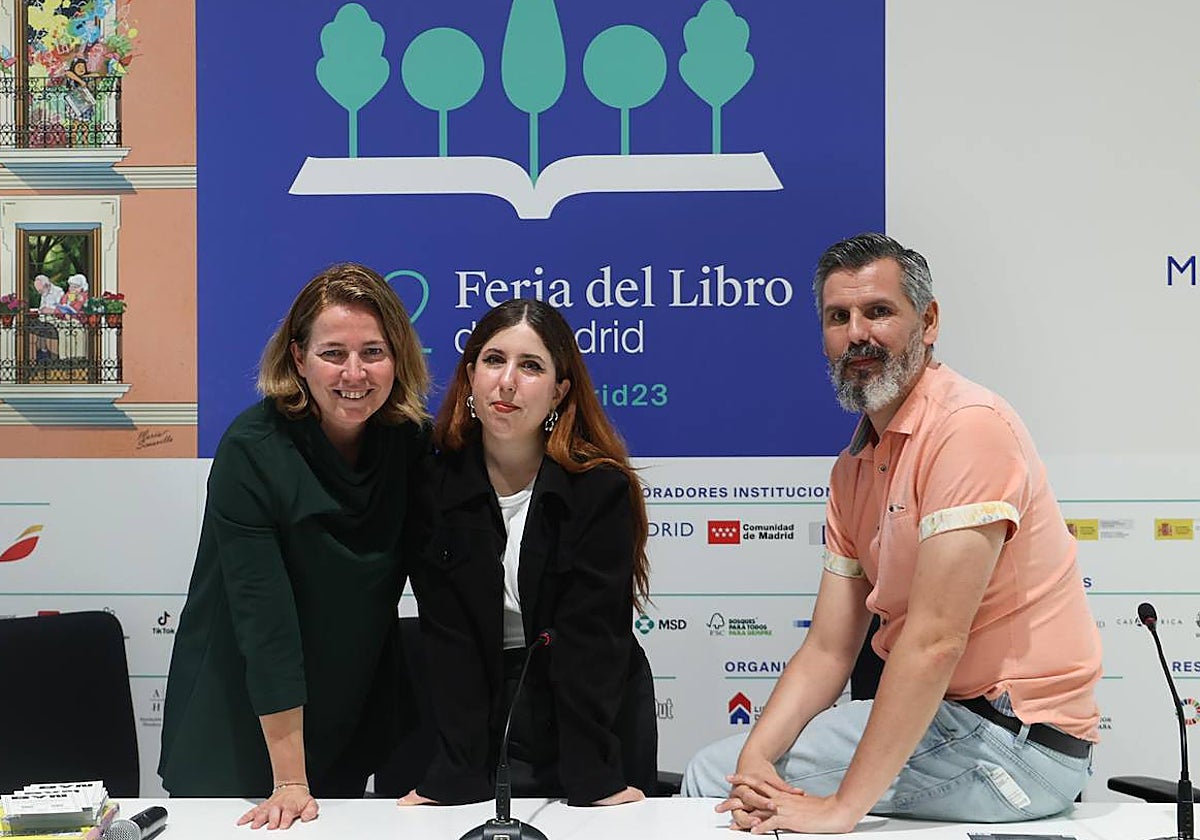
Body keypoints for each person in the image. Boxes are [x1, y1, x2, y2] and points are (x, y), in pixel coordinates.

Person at [682, 233, 1101, 834]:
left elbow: (934, 642)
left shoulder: (967, 428)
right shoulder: (853, 467)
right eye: (838, 317)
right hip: (950, 723)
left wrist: (841, 809)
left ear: (927, 322)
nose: (857, 334)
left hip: (1013, 745)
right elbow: (828, 649)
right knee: (728, 776)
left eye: (878, 312)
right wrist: (756, 757)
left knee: (704, 785)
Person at [159, 263, 431, 829]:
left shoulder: (412, 445)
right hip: (238, 721)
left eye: (373, 352)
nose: (353, 373)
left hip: (345, 711)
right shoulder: (252, 451)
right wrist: (289, 778)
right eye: (333, 353)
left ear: (398, 358)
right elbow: (265, 622)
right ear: (298, 360)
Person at [398, 299, 657, 808]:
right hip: (465, 716)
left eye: (531, 366)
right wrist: (452, 776)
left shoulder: (599, 490)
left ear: (561, 390)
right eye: (493, 361)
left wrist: (591, 778)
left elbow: (591, 640)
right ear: (471, 375)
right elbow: (449, 635)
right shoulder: (432, 485)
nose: (507, 381)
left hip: (587, 721)